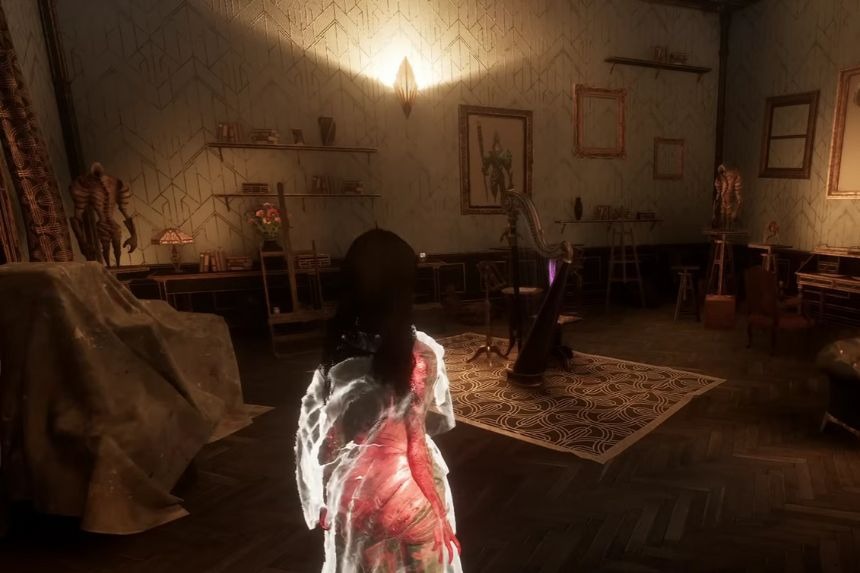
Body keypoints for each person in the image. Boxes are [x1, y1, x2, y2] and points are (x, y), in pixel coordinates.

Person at [295, 229, 462, 572]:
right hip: (408, 495)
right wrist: (439, 514)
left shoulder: (336, 358)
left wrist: (322, 499)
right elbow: (422, 439)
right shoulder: (420, 355)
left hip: (353, 496)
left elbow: (322, 442)